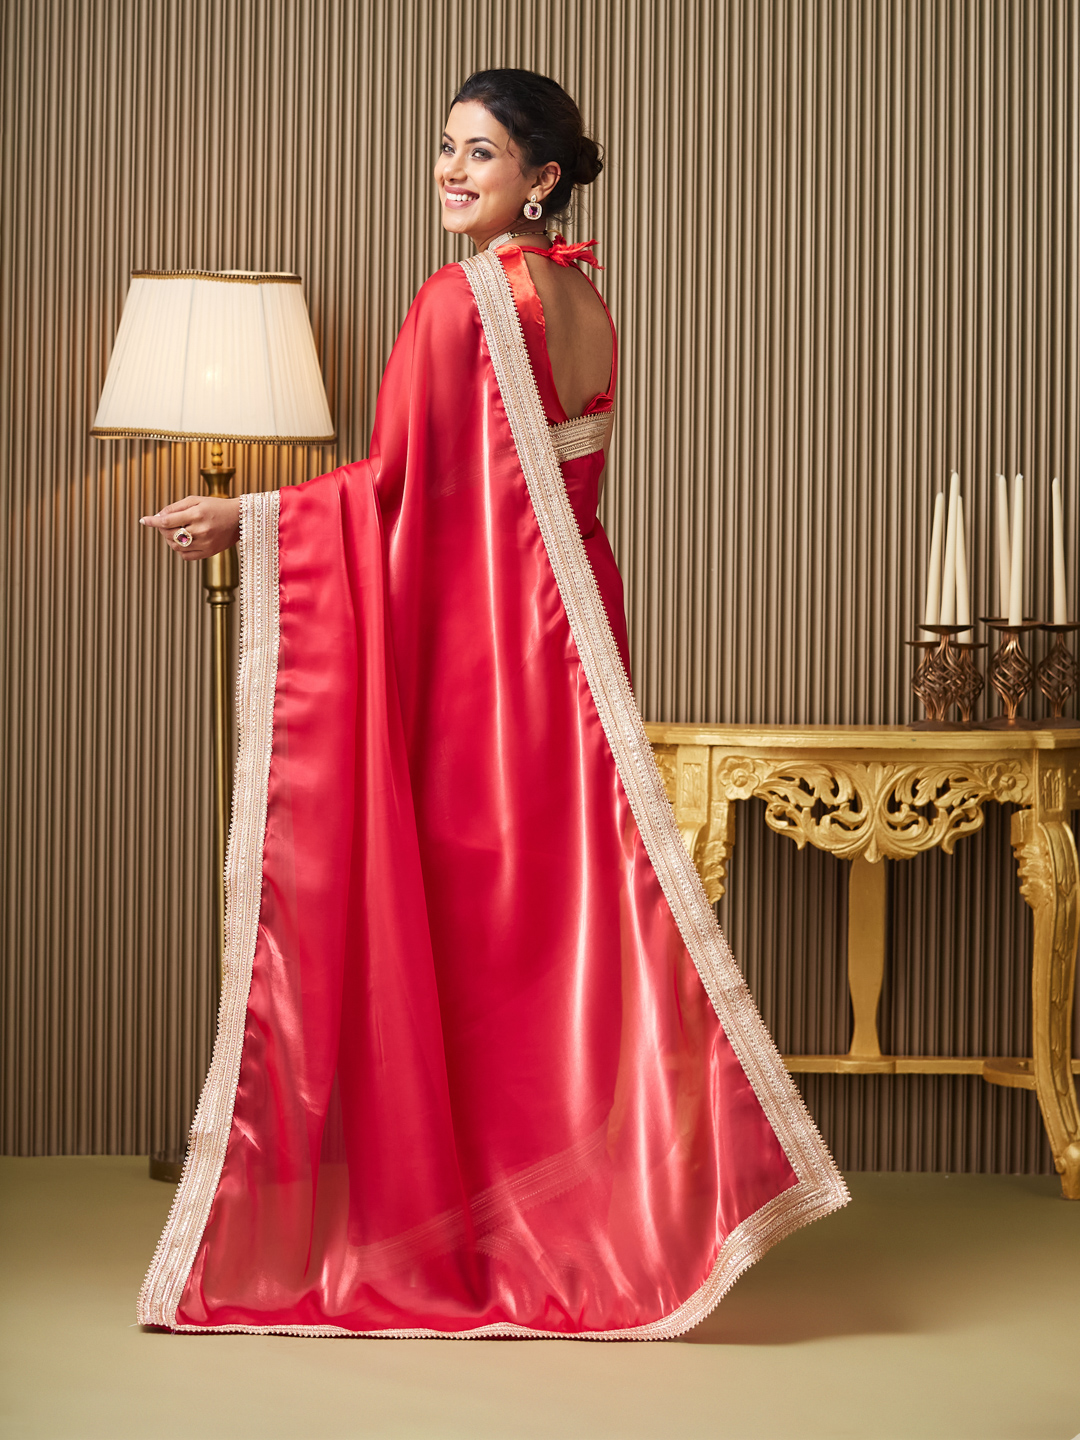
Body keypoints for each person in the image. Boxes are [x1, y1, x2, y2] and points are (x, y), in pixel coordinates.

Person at [137, 68, 846, 1339]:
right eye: (447, 148)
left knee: (470, 934)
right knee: (571, 919)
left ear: (542, 177)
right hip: (577, 641)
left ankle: (473, 1236)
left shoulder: (462, 297)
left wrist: (251, 517)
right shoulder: (585, 300)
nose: (453, 172)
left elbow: (399, 488)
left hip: (483, 665)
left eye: (481, 153)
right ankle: (596, 1219)